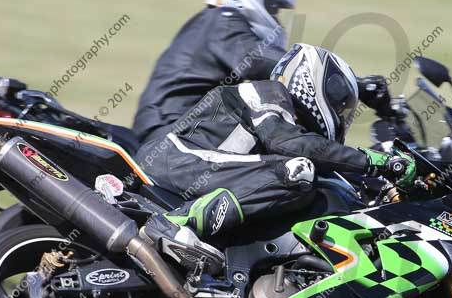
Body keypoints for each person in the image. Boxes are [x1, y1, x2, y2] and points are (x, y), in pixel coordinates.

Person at [137, 44, 416, 272]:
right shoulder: (268, 92)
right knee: (298, 171)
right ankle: (175, 223)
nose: (342, 115)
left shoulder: (288, 125)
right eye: (340, 104)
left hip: (195, 169)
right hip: (178, 160)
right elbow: (290, 144)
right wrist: (376, 161)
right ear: (312, 79)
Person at [132, 0, 296, 144]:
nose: (276, 17)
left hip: (176, 130)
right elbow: (256, 59)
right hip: (171, 132)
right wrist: (303, 62)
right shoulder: (221, 21)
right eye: (274, 9)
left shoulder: (210, 23)